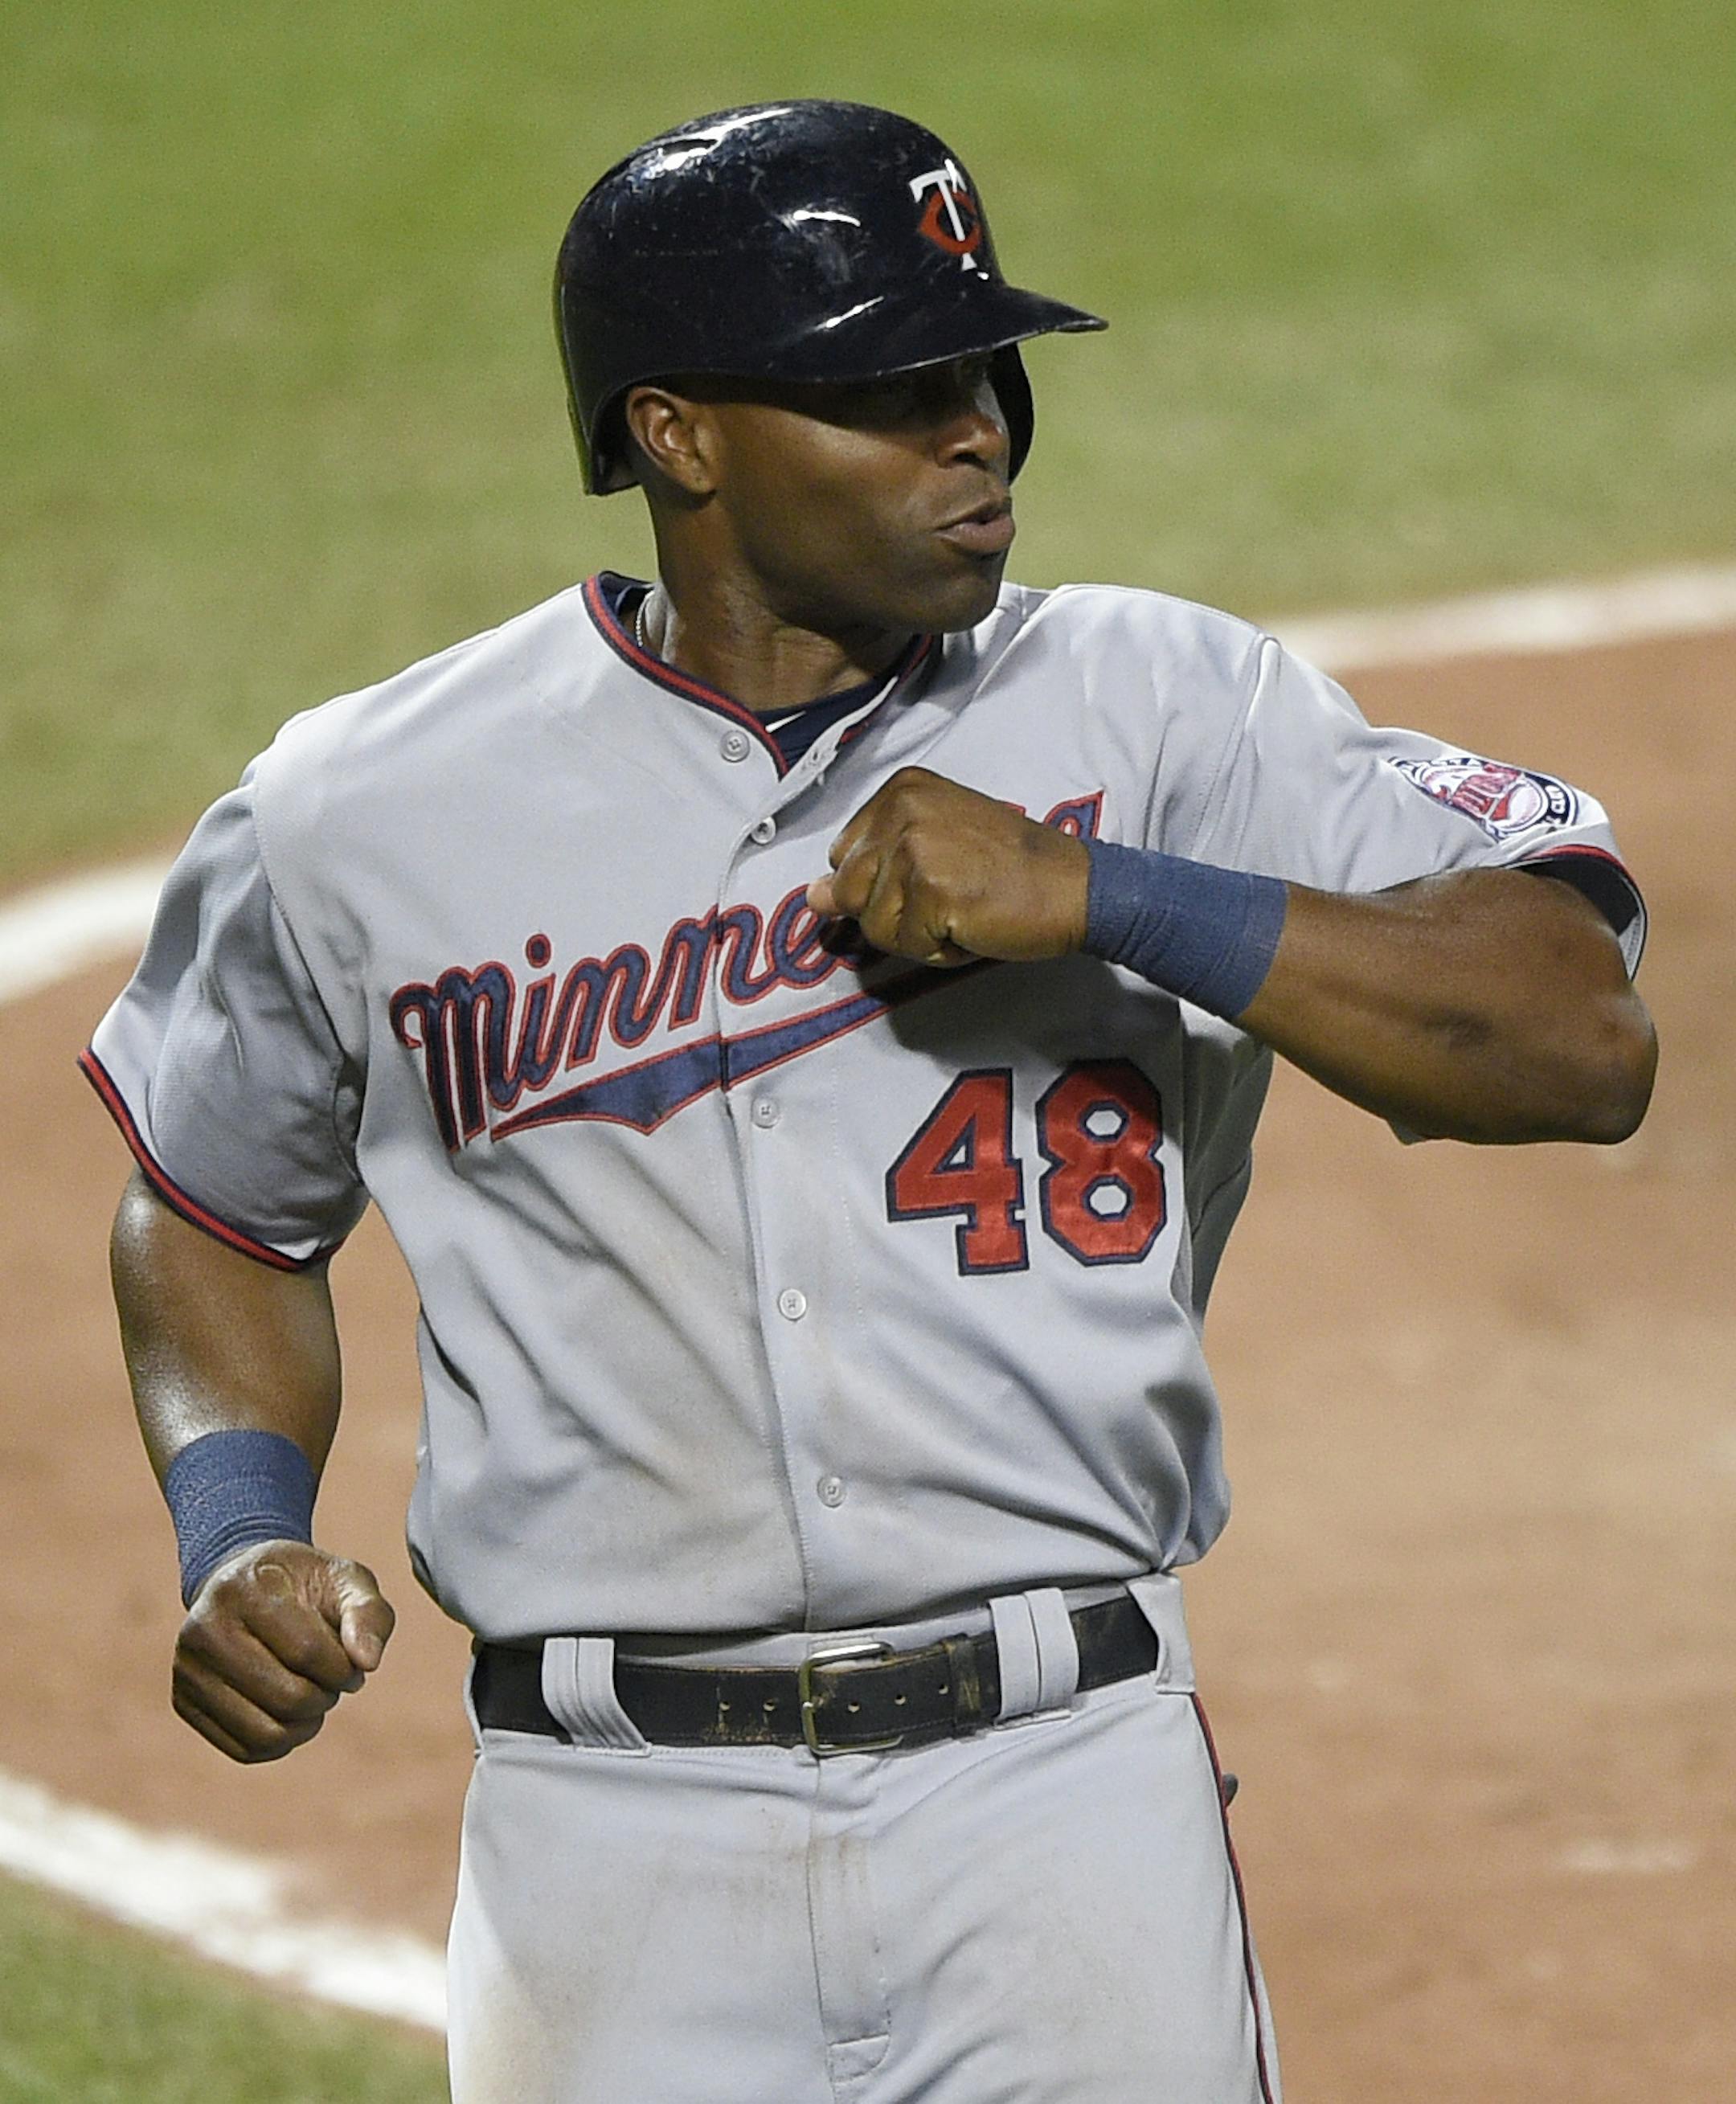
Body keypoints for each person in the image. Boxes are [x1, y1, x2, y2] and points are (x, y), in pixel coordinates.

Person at [84, 100, 1655, 2103]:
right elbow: (215, 1202)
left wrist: (1103, 890)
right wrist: (236, 1527)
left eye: (985, 372)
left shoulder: (1165, 712)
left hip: (1062, 1803)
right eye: (892, 390)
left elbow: (1576, 1034)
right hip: (607, 1853)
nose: (977, 428)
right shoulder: (359, 807)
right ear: (680, 435)